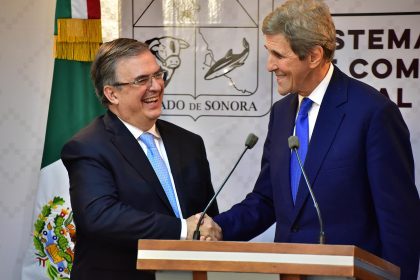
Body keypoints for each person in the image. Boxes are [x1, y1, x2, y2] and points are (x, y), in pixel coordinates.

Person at [212, 0, 420, 279]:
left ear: (314, 56)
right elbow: (267, 199)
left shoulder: (373, 113)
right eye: (268, 52)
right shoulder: (282, 113)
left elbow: (399, 223)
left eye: (278, 55)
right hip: (288, 273)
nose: (270, 66)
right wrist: (217, 228)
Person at [61, 38, 221, 280]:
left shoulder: (189, 143)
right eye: (141, 80)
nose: (156, 86)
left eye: (158, 75)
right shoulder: (88, 147)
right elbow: (101, 216)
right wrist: (181, 229)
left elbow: (206, 216)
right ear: (112, 94)